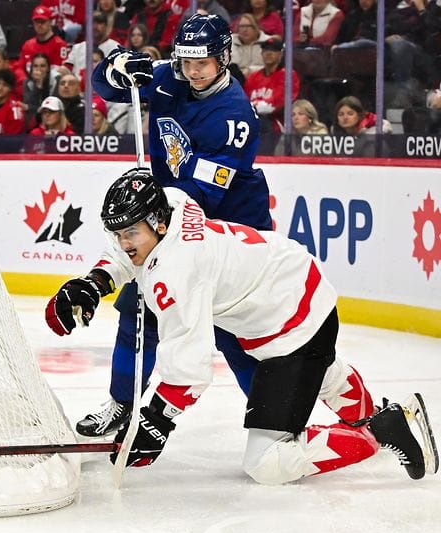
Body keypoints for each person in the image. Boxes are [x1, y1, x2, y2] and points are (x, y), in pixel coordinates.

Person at [68, 168, 438, 485]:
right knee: (321, 370)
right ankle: (380, 416)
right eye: (117, 233)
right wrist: (96, 281)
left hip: (292, 322)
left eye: (129, 233)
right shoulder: (174, 203)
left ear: (158, 224)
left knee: (266, 462)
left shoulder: (177, 273)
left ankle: (381, 431)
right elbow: (127, 250)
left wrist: (156, 422)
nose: (122, 243)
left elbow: (189, 368)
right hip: (296, 281)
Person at [65, 13, 271, 438]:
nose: (193, 71)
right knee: (138, 311)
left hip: (229, 229)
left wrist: (148, 207)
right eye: (187, 61)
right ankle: (123, 403)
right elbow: (104, 87)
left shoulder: (233, 116)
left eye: (204, 63)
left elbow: (204, 197)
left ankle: (275, 417)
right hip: (168, 218)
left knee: (236, 331)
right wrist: (119, 65)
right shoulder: (169, 77)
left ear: (224, 58)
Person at [243, 38, 299, 133]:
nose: (268, 53)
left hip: (276, 123)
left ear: (280, 54)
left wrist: (253, 107)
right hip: (252, 121)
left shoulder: (288, 75)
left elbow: (276, 103)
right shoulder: (253, 77)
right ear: (261, 54)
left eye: (273, 50)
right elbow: (244, 101)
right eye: (265, 50)